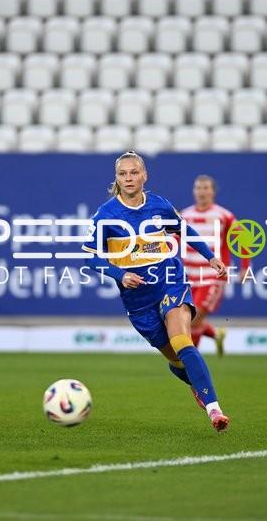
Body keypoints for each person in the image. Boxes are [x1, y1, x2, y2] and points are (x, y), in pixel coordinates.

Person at [82, 151, 231, 433]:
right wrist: (120, 274)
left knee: (182, 341)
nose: (128, 178)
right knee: (176, 361)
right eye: (123, 174)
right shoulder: (106, 215)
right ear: (117, 178)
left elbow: (184, 231)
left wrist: (211, 257)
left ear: (144, 175)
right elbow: (90, 257)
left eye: (134, 172)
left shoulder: (160, 205)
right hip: (138, 300)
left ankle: (215, 411)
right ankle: (197, 385)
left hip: (169, 280)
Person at [179, 175, 250, 357]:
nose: (201, 192)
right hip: (189, 276)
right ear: (193, 191)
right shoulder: (185, 216)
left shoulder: (223, 215)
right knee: (189, 319)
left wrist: (245, 267)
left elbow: (243, 239)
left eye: (205, 188)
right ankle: (216, 335)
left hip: (213, 275)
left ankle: (191, 364)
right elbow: (173, 240)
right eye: (198, 188)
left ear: (213, 191)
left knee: (193, 319)